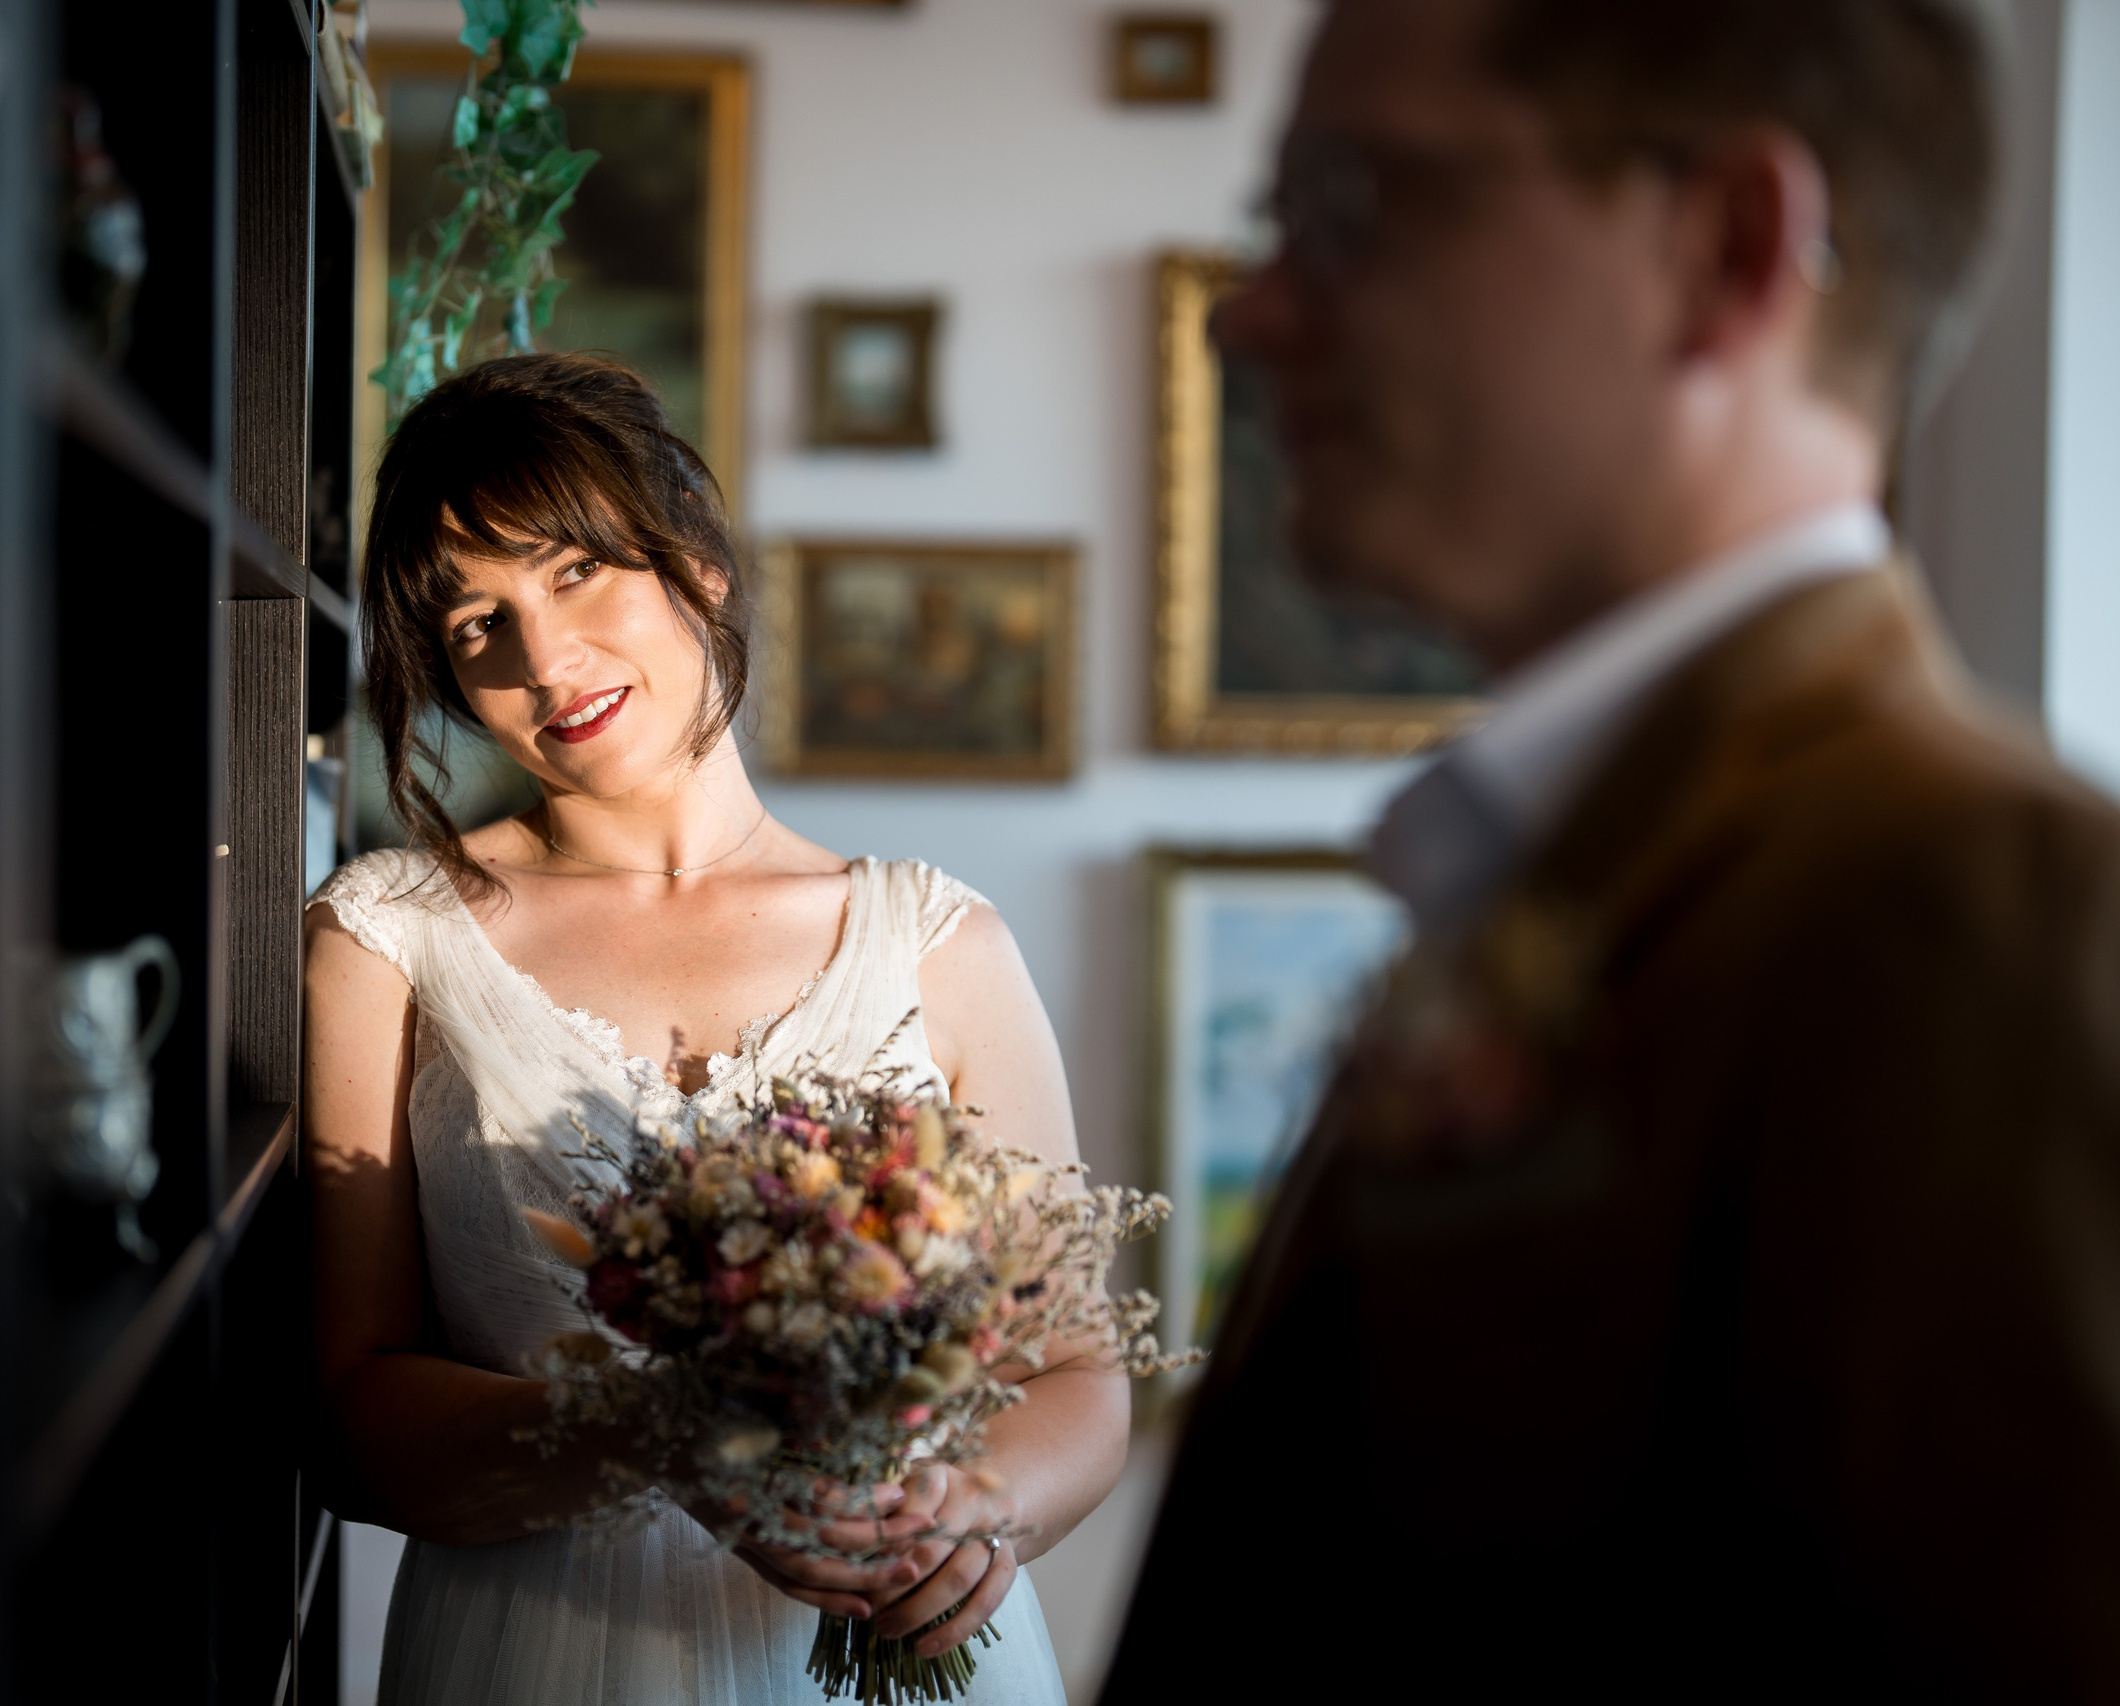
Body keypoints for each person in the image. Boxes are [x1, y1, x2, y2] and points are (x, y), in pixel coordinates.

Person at [1103, 0, 2120, 1698]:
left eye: (1359, 204)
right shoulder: (1586, 856)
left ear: (1726, 248)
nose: (1254, 315)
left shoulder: (1972, 904)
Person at [304, 352, 1108, 1705]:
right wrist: (659, 1433)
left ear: (698, 558)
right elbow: (350, 1417)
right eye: (473, 625)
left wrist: (974, 1512)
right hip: (536, 1658)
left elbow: (1077, 1370)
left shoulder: (938, 943)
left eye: (572, 571)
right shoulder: (391, 936)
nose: (543, 659)